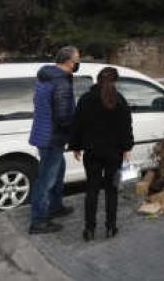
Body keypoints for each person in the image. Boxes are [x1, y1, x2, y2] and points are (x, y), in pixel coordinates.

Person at [69, 66, 134, 240]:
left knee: (92, 189)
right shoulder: (120, 101)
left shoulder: (86, 99)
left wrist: (75, 146)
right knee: (112, 190)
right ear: (115, 81)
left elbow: (77, 125)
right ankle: (111, 228)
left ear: (97, 80)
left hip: (92, 152)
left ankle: (89, 229)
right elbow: (126, 128)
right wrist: (127, 148)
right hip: (114, 154)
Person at [27, 46, 81, 234]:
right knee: (46, 178)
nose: (77, 64)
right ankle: (39, 221)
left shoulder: (45, 78)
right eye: (76, 61)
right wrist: (76, 133)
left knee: (58, 169)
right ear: (68, 62)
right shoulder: (61, 83)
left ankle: (55, 206)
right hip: (53, 136)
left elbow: (38, 102)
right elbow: (64, 116)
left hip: (44, 133)